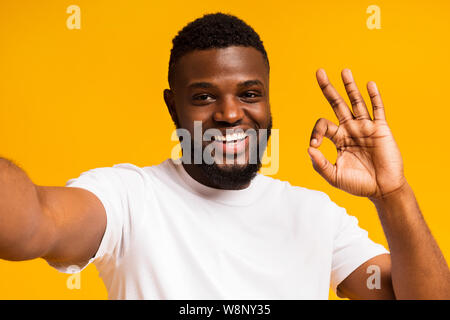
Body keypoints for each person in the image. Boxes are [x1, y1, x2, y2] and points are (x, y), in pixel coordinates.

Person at [0, 12, 449, 300]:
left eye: (250, 94)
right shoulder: (129, 199)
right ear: (173, 107)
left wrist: (393, 194)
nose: (231, 114)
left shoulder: (313, 215)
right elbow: (32, 224)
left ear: (270, 102)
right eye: (204, 96)